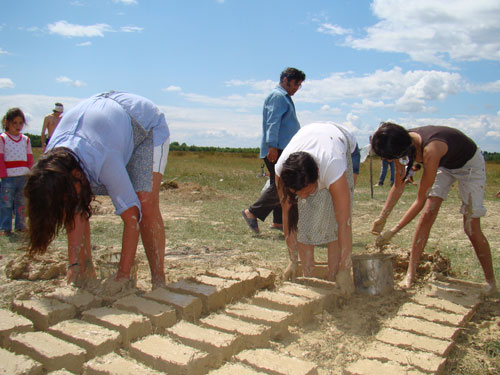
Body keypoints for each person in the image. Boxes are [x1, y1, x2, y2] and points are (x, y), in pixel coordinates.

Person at [24, 92, 170, 289]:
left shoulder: (105, 158)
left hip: (144, 125)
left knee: (145, 201)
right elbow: (74, 210)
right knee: (75, 201)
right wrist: (73, 264)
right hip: (107, 127)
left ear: (76, 174)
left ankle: (159, 281)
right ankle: (84, 271)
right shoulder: (52, 163)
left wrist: (122, 275)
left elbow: (131, 218)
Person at [370, 122, 496, 295]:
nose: (391, 162)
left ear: (401, 150)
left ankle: (490, 281)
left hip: (469, 166)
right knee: (427, 215)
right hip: (445, 166)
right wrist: (382, 217)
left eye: (390, 158)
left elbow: (420, 200)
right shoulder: (401, 147)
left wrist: (393, 230)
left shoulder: (431, 149)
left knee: (471, 227)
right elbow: (398, 186)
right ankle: (411, 274)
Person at [275, 122, 355, 295]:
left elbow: (344, 223)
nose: (303, 197)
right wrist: (292, 260)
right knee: (304, 220)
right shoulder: (282, 171)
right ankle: (308, 276)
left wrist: (345, 269)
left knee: (333, 222)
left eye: (308, 190)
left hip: (337, 139)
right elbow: (288, 215)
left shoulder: (333, 167)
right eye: (298, 193)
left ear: (318, 173)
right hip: (308, 137)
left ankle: (334, 276)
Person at [242, 67, 306, 233]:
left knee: (278, 183)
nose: (297, 88)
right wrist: (272, 146)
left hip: (283, 148)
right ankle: (252, 212)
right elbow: (273, 122)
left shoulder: (284, 98)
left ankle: (278, 222)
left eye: (299, 85)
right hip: (278, 148)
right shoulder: (278, 97)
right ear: (285, 80)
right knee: (283, 183)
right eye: (295, 84)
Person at [0, 108, 33, 235]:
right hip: (8, 177)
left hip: (23, 176)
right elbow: (0, 157)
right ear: (6, 123)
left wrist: (31, 173)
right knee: (6, 203)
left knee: (22, 203)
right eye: (15, 123)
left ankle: (20, 225)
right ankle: (4, 227)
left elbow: (29, 158)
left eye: (20, 123)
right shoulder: (3, 138)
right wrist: (3, 174)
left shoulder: (26, 139)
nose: (18, 126)